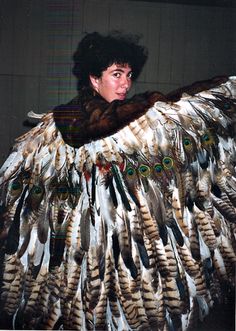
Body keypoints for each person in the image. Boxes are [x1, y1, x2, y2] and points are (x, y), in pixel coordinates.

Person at [53, 31, 165, 147]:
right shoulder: (78, 110)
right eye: (117, 74)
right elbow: (102, 119)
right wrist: (151, 100)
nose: (126, 84)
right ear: (95, 79)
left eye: (129, 75)